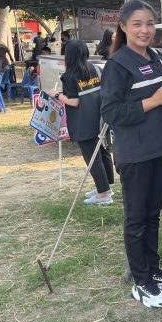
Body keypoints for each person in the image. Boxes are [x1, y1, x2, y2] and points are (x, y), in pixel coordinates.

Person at [100, 0, 162, 308]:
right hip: (135, 153)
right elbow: (111, 112)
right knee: (136, 218)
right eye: (137, 24)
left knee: (153, 212)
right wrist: (154, 100)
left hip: (160, 146)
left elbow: (157, 93)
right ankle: (141, 280)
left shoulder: (155, 56)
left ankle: (153, 269)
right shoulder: (117, 65)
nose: (145, 30)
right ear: (123, 27)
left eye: (150, 23)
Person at [49, 40, 114, 206]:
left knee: (92, 157)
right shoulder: (96, 69)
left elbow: (74, 102)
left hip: (82, 121)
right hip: (100, 118)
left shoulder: (69, 76)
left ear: (68, 55)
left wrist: (56, 95)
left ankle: (103, 193)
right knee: (102, 151)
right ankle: (105, 187)